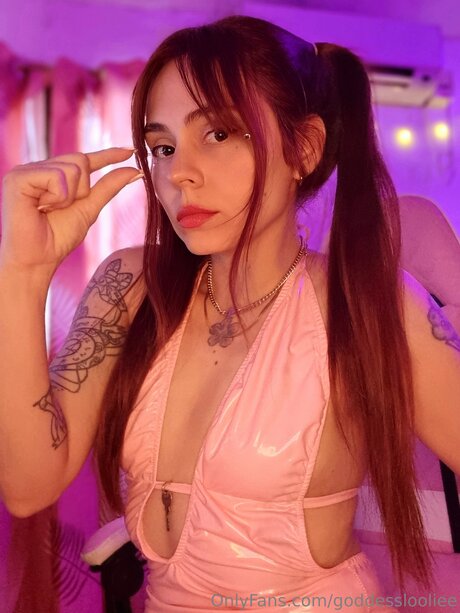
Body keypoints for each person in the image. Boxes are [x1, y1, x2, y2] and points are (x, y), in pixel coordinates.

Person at [0, 14, 459, 613]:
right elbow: (28, 486)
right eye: (162, 147)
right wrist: (22, 274)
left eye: (217, 133)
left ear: (303, 148)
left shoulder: (372, 304)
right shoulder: (127, 286)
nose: (179, 173)